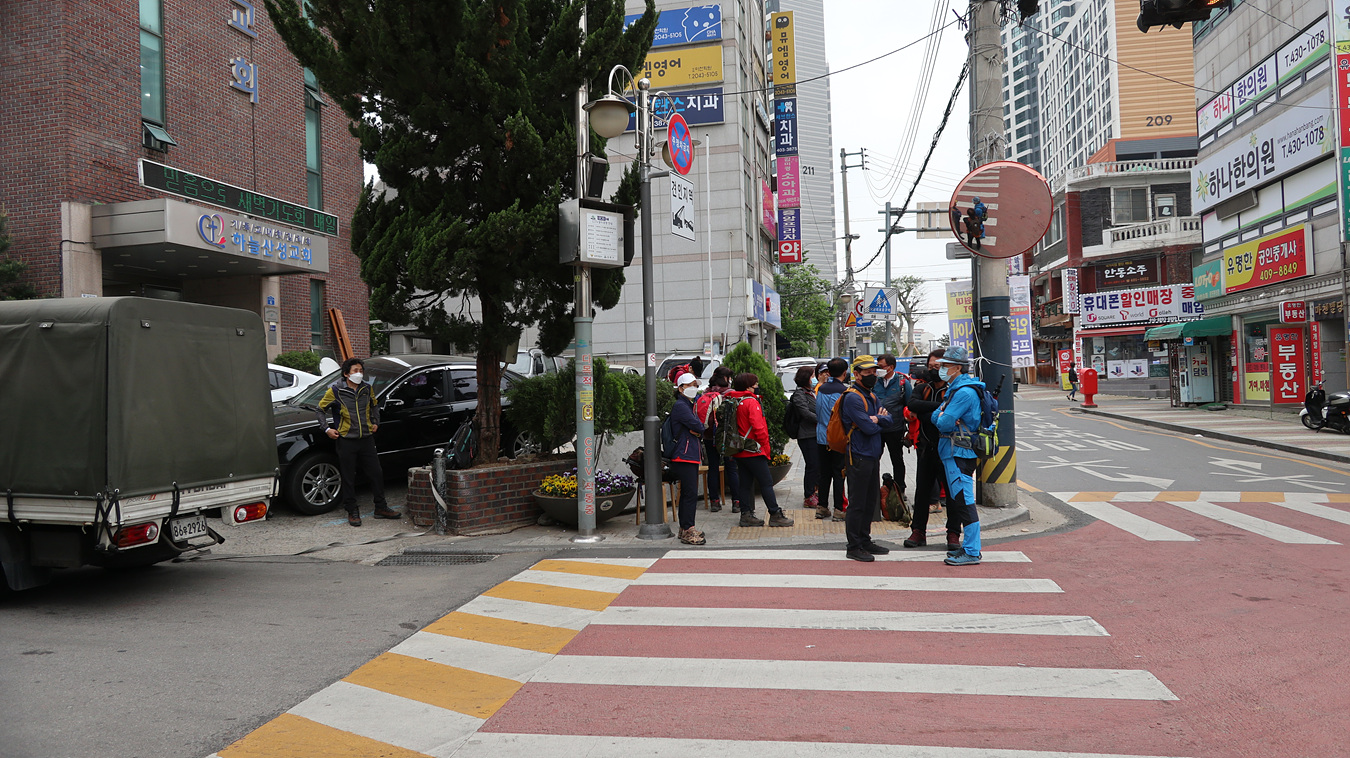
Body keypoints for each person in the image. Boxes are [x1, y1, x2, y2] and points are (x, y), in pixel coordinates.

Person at [316, 358, 400, 527]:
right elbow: (320, 409)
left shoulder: (367, 389)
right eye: (355, 370)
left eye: (361, 370)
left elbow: (374, 405)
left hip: (366, 439)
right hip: (346, 440)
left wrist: (376, 422)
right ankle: (352, 510)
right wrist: (327, 429)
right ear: (346, 374)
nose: (359, 373)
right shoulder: (336, 391)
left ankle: (381, 507)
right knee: (348, 476)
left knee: (376, 472)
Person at [838, 355, 895, 562]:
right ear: (856, 374)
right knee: (858, 503)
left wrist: (878, 418)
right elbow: (869, 428)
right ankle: (854, 546)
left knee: (870, 501)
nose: (872, 375)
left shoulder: (870, 395)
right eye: (867, 372)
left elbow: (889, 419)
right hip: (859, 456)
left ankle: (864, 540)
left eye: (873, 372)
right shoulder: (853, 397)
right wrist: (880, 420)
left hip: (871, 454)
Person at [931, 346, 985, 566]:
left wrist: (943, 416)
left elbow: (942, 422)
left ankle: (972, 551)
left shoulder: (962, 393)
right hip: (956, 451)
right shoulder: (956, 389)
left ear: (957, 368)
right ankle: (969, 547)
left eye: (945, 365)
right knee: (961, 500)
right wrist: (942, 416)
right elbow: (937, 416)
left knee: (964, 502)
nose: (942, 369)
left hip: (959, 452)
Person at [904, 348, 960, 550]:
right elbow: (912, 404)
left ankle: (953, 533)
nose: (933, 370)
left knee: (953, 493)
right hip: (926, 447)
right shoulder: (922, 387)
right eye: (930, 367)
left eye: (937, 366)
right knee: (922, 493)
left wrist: (925, 411)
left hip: (949, 449)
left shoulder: (955, 390)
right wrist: (940, 408)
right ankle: (918, 531)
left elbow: (951, 414)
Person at [726, 373, 795, 528]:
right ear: (748, 387)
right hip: (753, 450)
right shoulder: (751, 402)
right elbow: (759, 428)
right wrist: (765, 446)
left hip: (739, 448)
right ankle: (775, 514)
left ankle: (746, 515)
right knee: (766, 482)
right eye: (755, 384)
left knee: (745, 483)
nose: (757, 386)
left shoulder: (734, 400)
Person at [695, 367, 740, 512]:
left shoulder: (705, 393)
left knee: (713, 468)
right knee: (731, 469)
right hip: (727, 437)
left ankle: (714, 501)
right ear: (725, 378)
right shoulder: (730, 394)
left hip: (709, 437)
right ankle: (736, 502)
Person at [669, 373, 707, 545]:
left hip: (689, 454)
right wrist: (697, 430)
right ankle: (688, 529)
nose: (694, 388)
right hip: (684, 455)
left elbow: (698, 428)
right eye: (690, 385)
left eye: (695, 385)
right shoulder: (681, 406)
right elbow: (699, 426)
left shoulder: (688, 405)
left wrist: (697, 430)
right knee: (690, 494)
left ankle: (685, 528)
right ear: (680, 388)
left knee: (688, 493)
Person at [873, 354, 912, 507]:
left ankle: (900, 489)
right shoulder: (874, 382)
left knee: (897, 459)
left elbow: (909, 406)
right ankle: (873, 490)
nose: (878, 370)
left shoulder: (902, 383)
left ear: (890, 367)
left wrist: (909, 430)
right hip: (876, 429)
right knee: (873, 459)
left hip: (895, 429)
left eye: (881, 367)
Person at [814, 358, 849, 521]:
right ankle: (838, 509)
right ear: (845, 372)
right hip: (837, 438)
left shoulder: (820, 389)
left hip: (821, 436)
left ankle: (822, 507)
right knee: (838, 473)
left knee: (824, 473)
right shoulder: (844, 391)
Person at [788, 366, 820, 509]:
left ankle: (815, 491)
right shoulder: (799, 394)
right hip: (806, 435)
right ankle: (809, 495)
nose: (814, 379)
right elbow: (805, 413)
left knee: (817, 465)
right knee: (812, 464)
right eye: (812, 376)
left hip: (816, 433)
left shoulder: (812, 392)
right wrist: (823, 419)